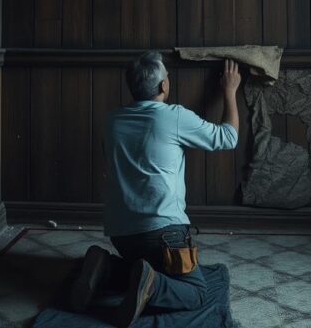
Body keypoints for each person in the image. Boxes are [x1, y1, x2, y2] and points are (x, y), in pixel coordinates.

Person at [69, 51, 241, 327]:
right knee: (196, 292)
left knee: (145, 265)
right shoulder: (173, 117)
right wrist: (229, 91)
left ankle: (109, 268)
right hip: (164, 235)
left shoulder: (112, 120)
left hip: (121, 236)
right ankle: (152, 285)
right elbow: (228, 137)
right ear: (164, 86)